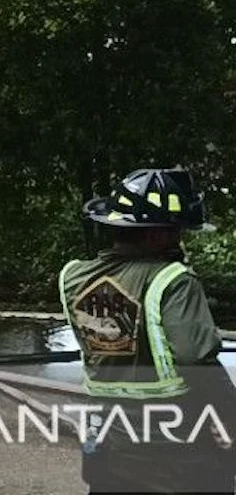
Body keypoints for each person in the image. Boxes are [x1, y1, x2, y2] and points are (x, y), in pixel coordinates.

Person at [59, 167, 236, 494]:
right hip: (175, 449)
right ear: (156, 236)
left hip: (110, 441)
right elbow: (195, 360)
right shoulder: (173, 282)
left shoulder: (76, 279)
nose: (180, 240)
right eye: (177, 231)